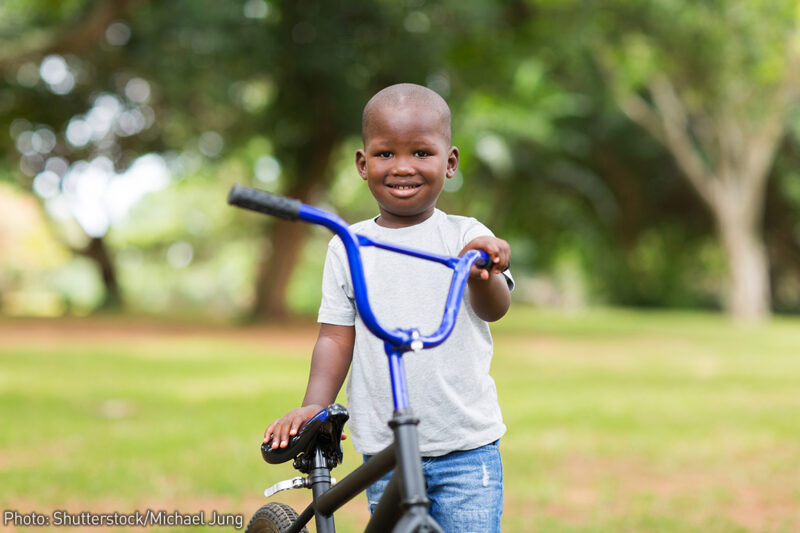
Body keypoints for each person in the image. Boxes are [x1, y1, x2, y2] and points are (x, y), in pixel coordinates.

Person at [264, 83, 513, 532]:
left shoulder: (464, 235)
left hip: (465, 448)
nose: (403, 167)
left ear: (450, 162)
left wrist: (485, 269)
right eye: (385, 154)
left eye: (421, 153)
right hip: (386, 450)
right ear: (363, 164)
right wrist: (314, 407)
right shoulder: (349, 245)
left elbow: (493, 309)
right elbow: (336, 336)